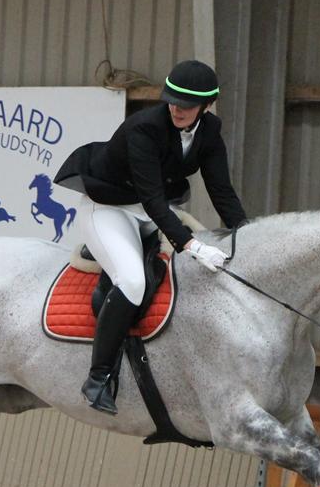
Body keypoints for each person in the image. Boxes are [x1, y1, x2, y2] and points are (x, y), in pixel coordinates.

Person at [54, 59, 248, 416]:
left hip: (149, 209)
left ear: (206, 107)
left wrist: (248, 237)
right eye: (172, 100)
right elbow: (153, 199)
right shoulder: (143, 128)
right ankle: (97, 377)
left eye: (186, 105)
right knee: (132, 280)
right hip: (108, 208)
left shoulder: (209, 131)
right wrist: (190, 244)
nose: (176, 108)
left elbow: (222, 190)